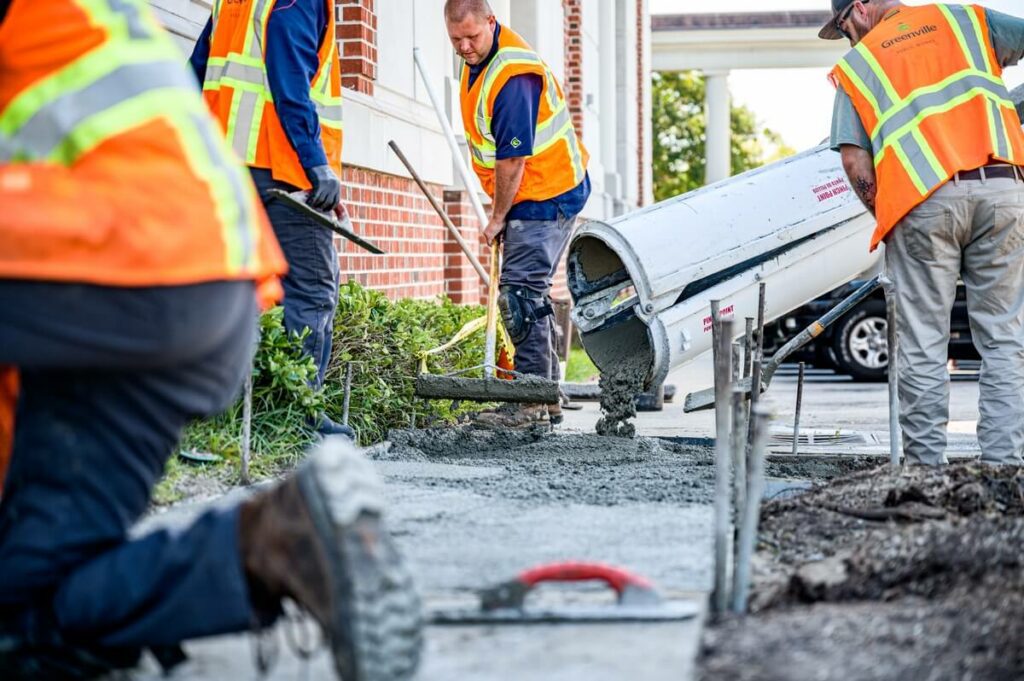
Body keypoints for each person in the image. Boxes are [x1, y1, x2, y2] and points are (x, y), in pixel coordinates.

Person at [0, 1, 421, 679]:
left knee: (313, 296)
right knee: (31, 601)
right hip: (209, 269)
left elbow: (252, 76)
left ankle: (301, 405)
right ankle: (272, 541)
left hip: (118, 262)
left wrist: (314, 168)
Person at [821, 0, 1024, 465]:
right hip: (1004, 191)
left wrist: (888, 210)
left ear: (860, 8)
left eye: (843, 25)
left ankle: (926, 472)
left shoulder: (861, 63)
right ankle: (1004, 469)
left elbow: (855, 161)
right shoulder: (966, 20)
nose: (848, 35)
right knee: (1005, 340)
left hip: (923, 205)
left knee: (923, 344)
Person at [190, 0, 352, 437]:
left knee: (236, 286)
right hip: (282, 173)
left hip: (228, 167)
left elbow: (195, 70)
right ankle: (298, 417)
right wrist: (318, 166)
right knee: (311, 290)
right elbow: (290, 84)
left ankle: (218, 411)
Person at [444, 0, 591, 427]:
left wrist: (496, 218)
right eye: (456, 40)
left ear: (492, 21)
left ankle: (528, 404)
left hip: (545, 190)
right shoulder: (480, 60)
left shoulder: (512, 76)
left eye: (472, 36)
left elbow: (512, 160)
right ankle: (545, 398)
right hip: (536, 189)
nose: (466, 47)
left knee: (520, 295)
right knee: (530, 292)